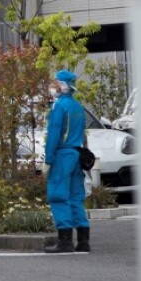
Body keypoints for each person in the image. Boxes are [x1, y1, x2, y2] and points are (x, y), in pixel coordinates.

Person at [43, 69, 90, 253]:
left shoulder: (59, 107)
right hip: (77, 154)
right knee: (75, 196)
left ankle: (65, 242)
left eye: (55, 82)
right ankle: (83, 241)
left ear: (63, 85)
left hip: (62, 155)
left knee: (58, 194)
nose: (53, 85)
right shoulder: (78, 107)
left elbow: (54, 134)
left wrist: (48, 159)